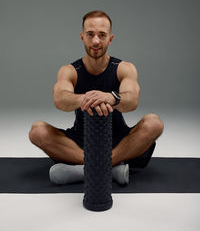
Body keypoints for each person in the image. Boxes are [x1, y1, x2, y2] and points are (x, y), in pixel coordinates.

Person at [29, 10, 164, 185]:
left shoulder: (124, 68)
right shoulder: (69, 70)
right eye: (90, 34)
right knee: (37, 131)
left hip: (119, 141)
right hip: (79, 143)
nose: (95, 41)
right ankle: (110, 168)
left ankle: (85, 170)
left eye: (102, 35)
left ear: (110, 39)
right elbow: (60, 99)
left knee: (154, 123)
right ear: (82, 37)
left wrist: (111, 98)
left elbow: (132, 100)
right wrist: (88, 99)